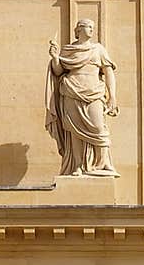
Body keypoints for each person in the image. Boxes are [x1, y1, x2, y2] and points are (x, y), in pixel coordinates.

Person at [46, 19, 119, 176]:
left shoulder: (98, 49)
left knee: (99, 127)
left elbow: (108, 73)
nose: (92, 30)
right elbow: (58, 71)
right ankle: (77, 166)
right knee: (74, 131)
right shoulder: (69, 50)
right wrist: (55, 57)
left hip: (94, 93)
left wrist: (112, 96)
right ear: (78, 30)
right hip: (71, 92)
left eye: (93, 27)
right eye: (88, 27)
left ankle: (103, 162)